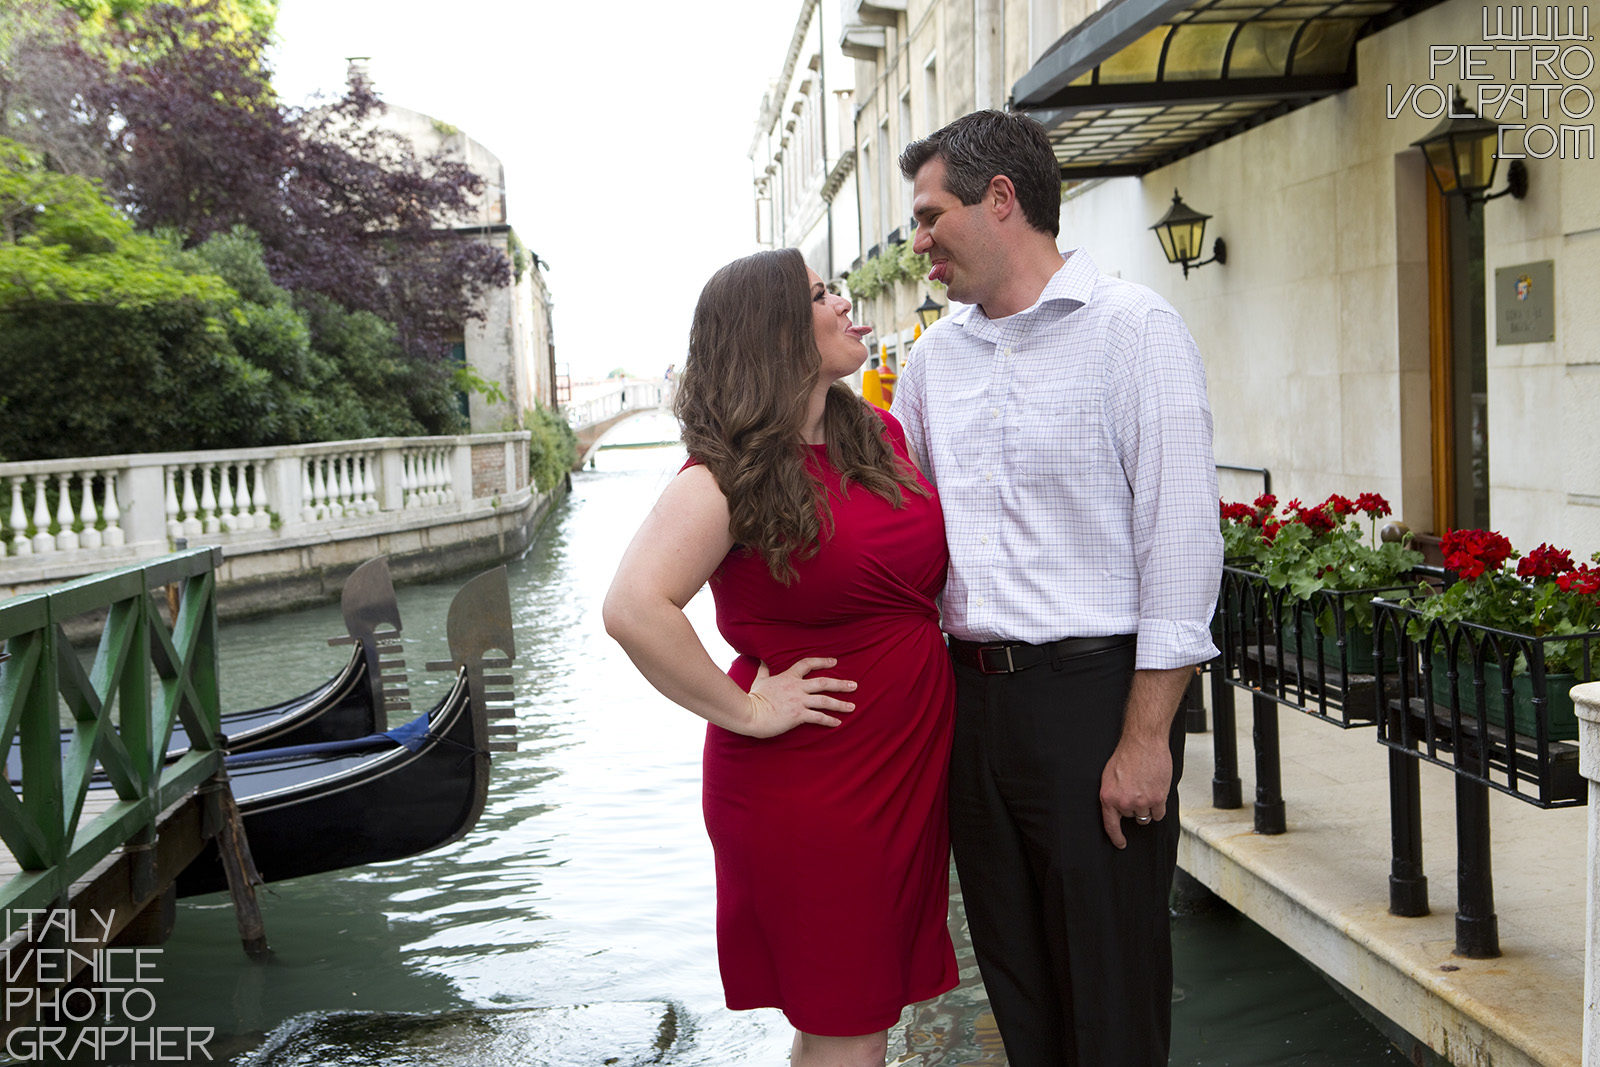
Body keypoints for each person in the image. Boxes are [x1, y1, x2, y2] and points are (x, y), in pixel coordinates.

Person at [890, 110, 1223, 1065]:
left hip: (1095, 705)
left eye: (928, 214)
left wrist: (1146, 736)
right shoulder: (930, 361)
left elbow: (1181, 553)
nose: (917, 242)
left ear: (1001, 201)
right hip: (970, 712)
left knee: (1112, 1011)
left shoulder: (1135, 333)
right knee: (1021, 1003)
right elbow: (898, 529)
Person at [602, 248, 959, 1067]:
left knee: (847, 1023)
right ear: (774, 331)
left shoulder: (876, 432)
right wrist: (752, 710)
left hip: (898, 772)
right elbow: (632, 608)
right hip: (813, 784)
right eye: (822, 293)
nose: (846, 303)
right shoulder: (726, 475)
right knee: (853, 1026)